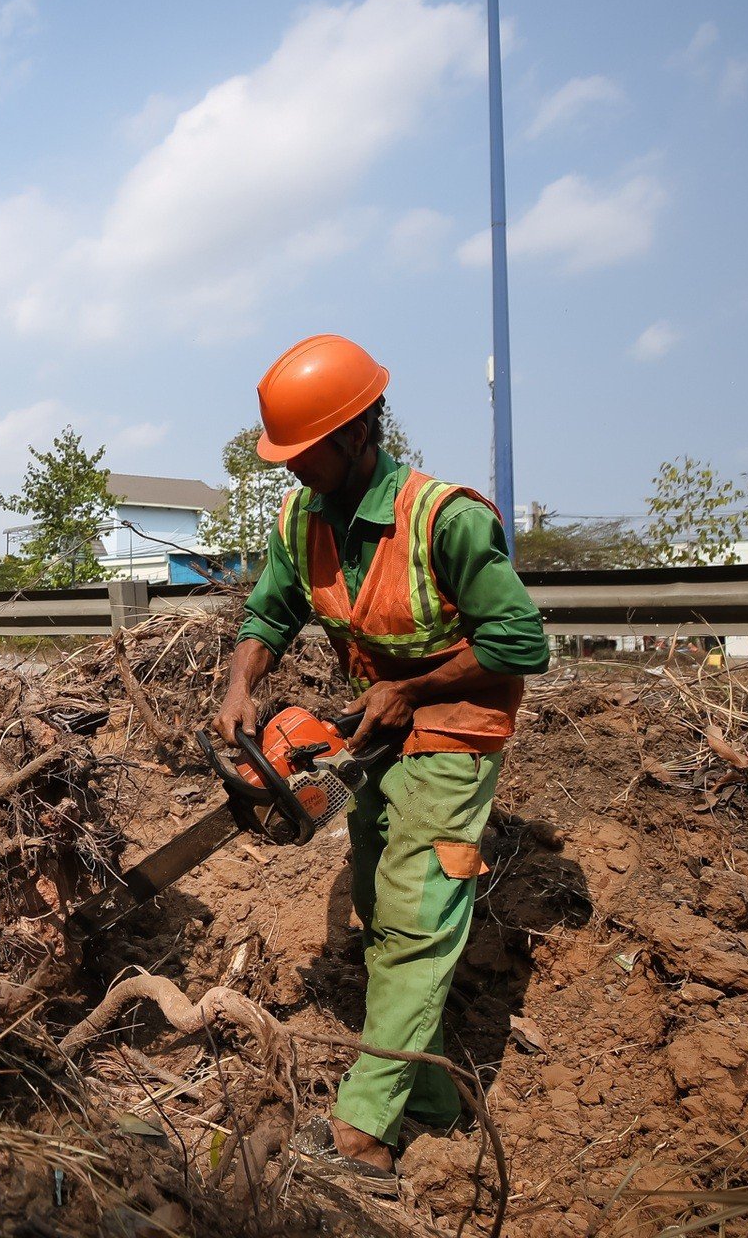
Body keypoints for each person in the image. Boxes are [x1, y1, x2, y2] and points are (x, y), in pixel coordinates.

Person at [212, 334, 547, 1180]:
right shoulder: (302, 519)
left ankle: (363, 1129)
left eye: (305, 452)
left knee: (416, 914)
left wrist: (417, 688)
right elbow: (270, 613)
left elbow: (519, 640)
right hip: (374, 733)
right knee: (377, 901)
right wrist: (239, 683)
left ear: (359, 430)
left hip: (457, 733)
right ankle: (429, 1099)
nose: (292, 470)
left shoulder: (447, 518)